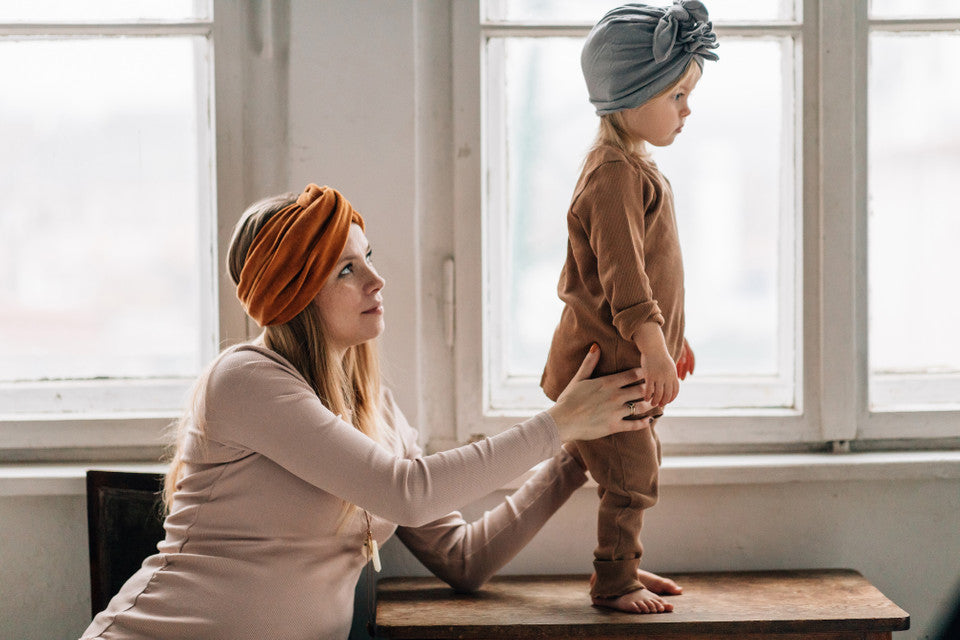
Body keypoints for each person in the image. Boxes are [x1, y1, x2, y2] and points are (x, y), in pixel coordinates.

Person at [80, 183, 680, 640]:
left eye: (368, 256)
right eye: (347, 269)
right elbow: (408, 492)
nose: (377, 279)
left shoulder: (378, 413)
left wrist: (580, 450)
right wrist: (558, 423)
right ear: (293, 296)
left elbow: (464, 559)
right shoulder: (246, 380)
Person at [540, 0, 718, 615]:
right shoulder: (613, 175)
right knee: (633, 474)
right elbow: (624, 277)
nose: (687, 110)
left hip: (628, 360)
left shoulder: (633, 167)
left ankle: (624, 563)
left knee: (636, 464)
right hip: (605, 368)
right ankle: (614, 581)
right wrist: (651, 343)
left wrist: (671, 341)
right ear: (632, 95)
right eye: (677, 95)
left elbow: (655, 271)